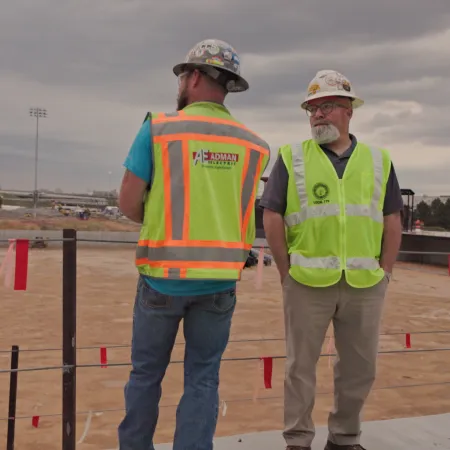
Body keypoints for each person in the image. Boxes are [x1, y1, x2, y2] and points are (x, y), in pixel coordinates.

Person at [117, 39, 270, 450]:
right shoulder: (254, 146)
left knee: (146, 375)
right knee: (203, 378)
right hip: (218, 284)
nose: (181, 83)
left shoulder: (159, 128)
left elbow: (129, 202)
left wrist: (157, 221)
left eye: (183, 75)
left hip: (162, 280)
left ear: (196, 76)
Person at [260, 70, 403, 450]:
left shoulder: (379, 160)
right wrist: (286, 272)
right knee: (299, 369)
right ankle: (298, 440)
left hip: (365, 284)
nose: (318, 115)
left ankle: (344, 437)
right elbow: (271, 215)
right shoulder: (291, 158)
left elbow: (392, 220)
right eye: (312, 109)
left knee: (359, 369)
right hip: (306, 282)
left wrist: (385, 273)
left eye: (326, 106)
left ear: (348, 111)